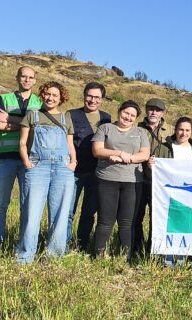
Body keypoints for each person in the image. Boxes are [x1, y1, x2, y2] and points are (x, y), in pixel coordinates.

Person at [15, 81, 78, 263]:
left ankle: (54, 256)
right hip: (37, 168)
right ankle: (25, 256)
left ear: (61, 98)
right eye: (48, 94)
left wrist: (73, 163)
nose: (51, 98)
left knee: (60, 213)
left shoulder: (66, 118)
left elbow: (70, 144)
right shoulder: (32, 115)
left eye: (55, 95)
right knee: (31, 212)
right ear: (42, 95)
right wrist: (27, 162)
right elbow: (22, 143)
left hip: (62, 168)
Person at [91, 101, 150, 259]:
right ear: (119, 111)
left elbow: (144, 154)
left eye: (132, 115)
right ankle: (99, 255)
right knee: (105, 220)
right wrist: (118, 152)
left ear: (136, 118)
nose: (128, 117)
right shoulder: (105, 128)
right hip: (107, 179)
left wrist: (128, 158)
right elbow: (97, 150)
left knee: (127, 222)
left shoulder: (141, 133)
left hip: (132, 182)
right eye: (126, 113)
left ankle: (125, 257)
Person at [0, 66, 41, 244]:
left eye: (30, 77)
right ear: (17, 78)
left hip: (30, 159)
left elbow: (39, 127)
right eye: (23, 76)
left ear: (35, 80)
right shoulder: (4, 98)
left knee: (27, 205)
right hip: (6, 157)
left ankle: (24, 242)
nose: (27, 80)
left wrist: (10, 119)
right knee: (1, 203)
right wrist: (27, 124)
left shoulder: (40, 102)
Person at [68, 82, 111, 252]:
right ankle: (63, 244)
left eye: (97, 97)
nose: (92, 100)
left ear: (102, 99)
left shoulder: (106, 118)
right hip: (74, 171)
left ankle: (81, 245)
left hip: (97, 172)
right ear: (84, 95)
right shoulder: (71, 114)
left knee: (89, 212)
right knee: (68, 211)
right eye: (90, 96)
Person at [156, 116, 192, 266]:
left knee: (185, 225)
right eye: (181, 129)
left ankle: (182, 258)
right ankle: (167, 258)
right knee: (169, 224)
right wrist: (152, 166)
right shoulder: (163, 148)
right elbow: (155, 171)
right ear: (175, 130)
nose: (184, 133)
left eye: (187, 130)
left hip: (190, 196)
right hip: (168, 195)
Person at [131, 98, 169, 260]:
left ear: (163, 113)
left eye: (157, 110)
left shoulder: (170, 131)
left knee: (158, 218)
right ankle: (136, 248)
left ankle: (153, 250)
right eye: (151, 109)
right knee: (135, 217)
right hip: (138, 178)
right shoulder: (136, 128)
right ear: (146, 111)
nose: (154, 112)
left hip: (160, 182)